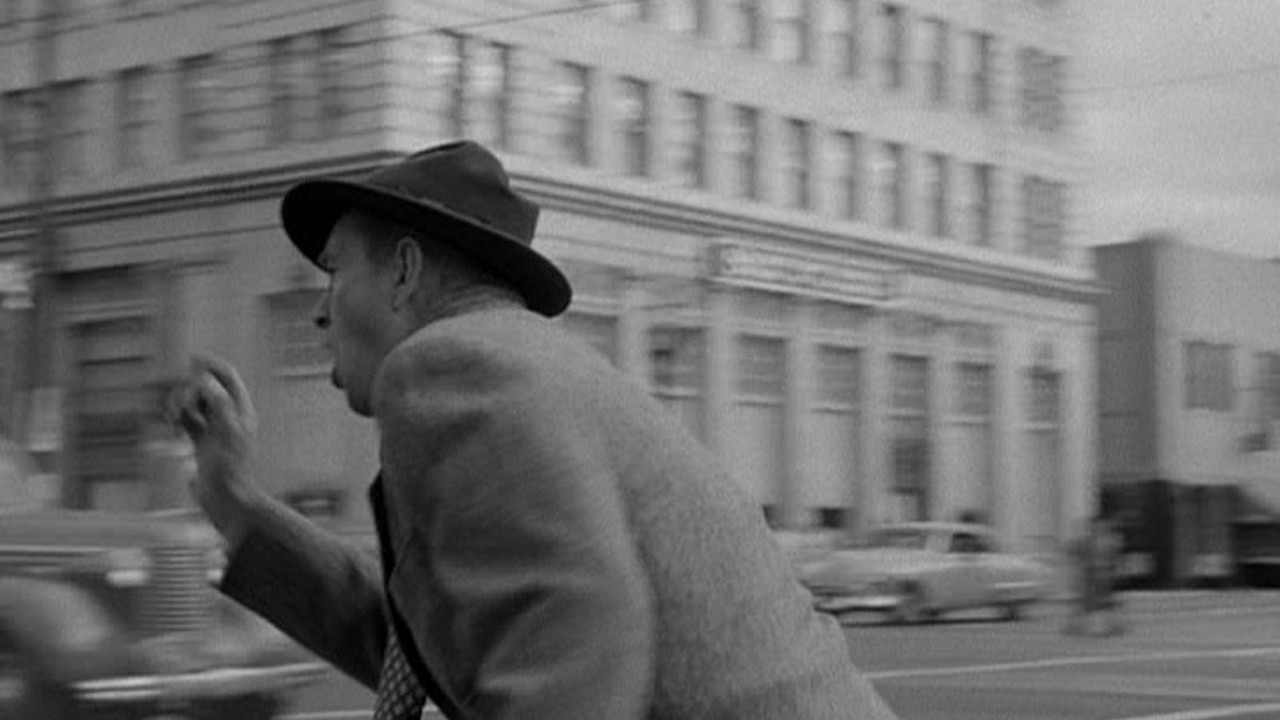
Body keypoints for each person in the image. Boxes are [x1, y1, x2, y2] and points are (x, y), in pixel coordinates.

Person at [173, 140, 900, 720]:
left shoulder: (453, 365)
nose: (322, 312)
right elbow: (431, 638)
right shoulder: (526, 371)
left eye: (333, 272)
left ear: (403, 273)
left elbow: (577, 656)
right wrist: (231, 500)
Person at [1062, 513, 1126, 637]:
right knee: (1091, 602)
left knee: (1101, 602)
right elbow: (1074, 552)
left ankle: (1103, 627)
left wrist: (1115, 571)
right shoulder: (1089, 541)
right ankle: (1089, 626)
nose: (1097, 529)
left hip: (1100, 576)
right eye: (1096, 527)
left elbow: (1115, 559)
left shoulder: (1108, 541)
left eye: (1100, 527)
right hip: (1092, 576)